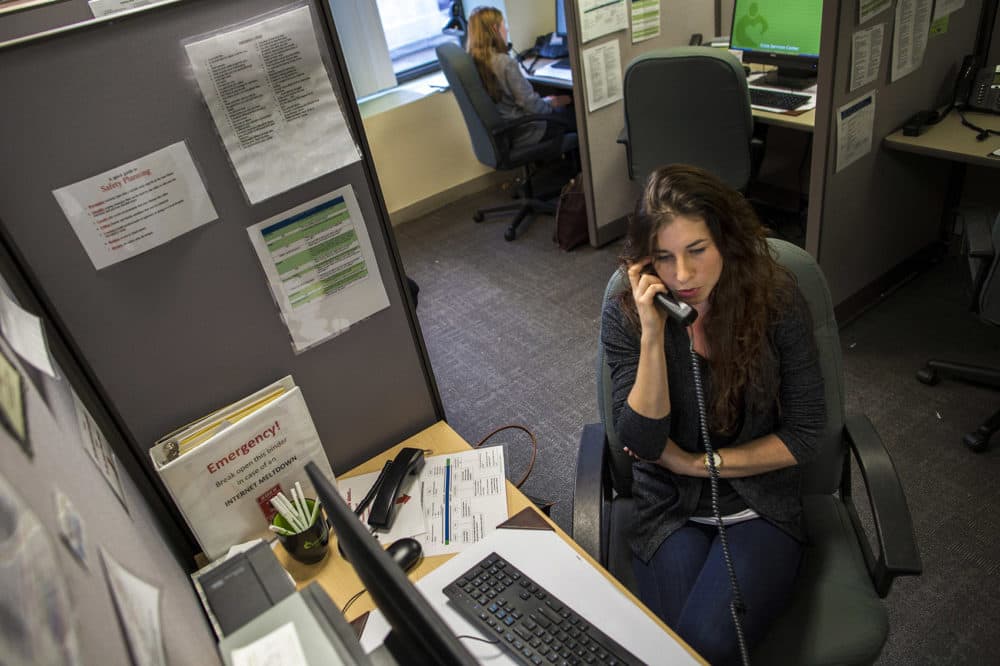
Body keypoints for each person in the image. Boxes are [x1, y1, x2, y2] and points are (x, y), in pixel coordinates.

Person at [601, 165, 825, 665]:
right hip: (669, 510)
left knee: (702, 643)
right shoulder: (629, 314)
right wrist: (654, 335)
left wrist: (697, 464)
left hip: (759, 503)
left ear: (726, 241)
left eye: (697, 251)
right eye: (665, 257)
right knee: (683, 651)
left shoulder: (777, 299)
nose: (683, 276)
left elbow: (808, 433)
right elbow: (639, 440)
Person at [466, 6, 575, 149]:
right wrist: (552, 102)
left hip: (508, 131)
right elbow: (532, 106)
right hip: (527, 131)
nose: (507, 30)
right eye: (503, 25)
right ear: (495, 29)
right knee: (575, 113)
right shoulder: (504, 63)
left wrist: (546, 101)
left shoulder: (472, 60)